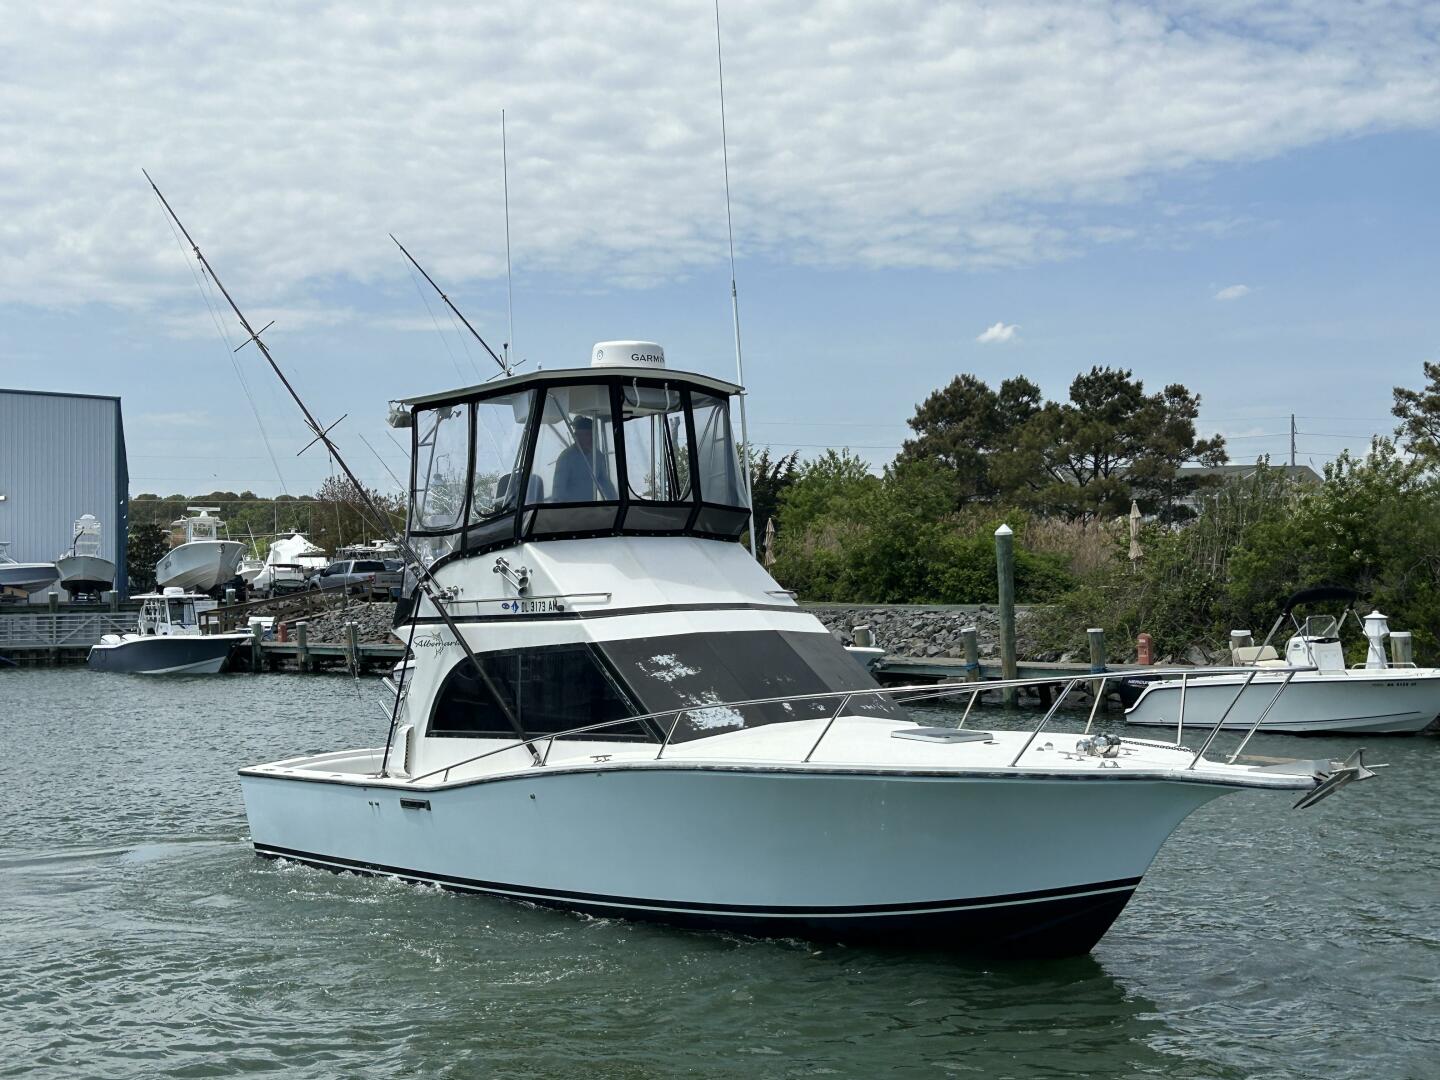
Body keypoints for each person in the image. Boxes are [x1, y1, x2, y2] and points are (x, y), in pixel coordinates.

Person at [552, 415, 617, 502]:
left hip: (590, 507)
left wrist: (615, 502)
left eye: (588, 434)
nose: (587, 438)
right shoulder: (566, 458)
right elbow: (558, 491)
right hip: (569, 508)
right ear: (575, 437)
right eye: (580, 435)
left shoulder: (598, 456)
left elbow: (606, 483)